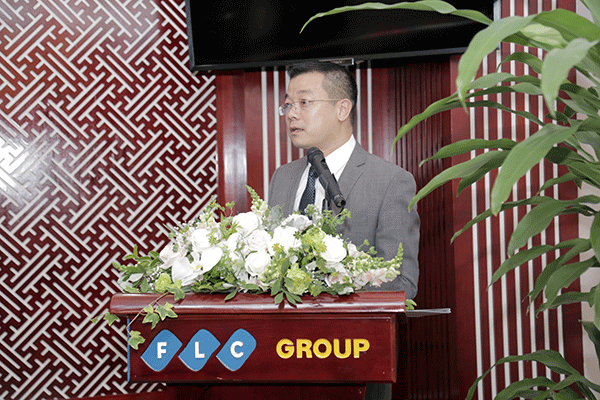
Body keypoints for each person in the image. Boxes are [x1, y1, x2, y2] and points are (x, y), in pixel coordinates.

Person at [267, 61, 420, 300]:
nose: (291, 114)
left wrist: (331, 287)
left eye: (304, 103)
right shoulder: (282, 178)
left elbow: (403, 283)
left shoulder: (391, 182)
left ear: (342, 109)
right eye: (288, 105)